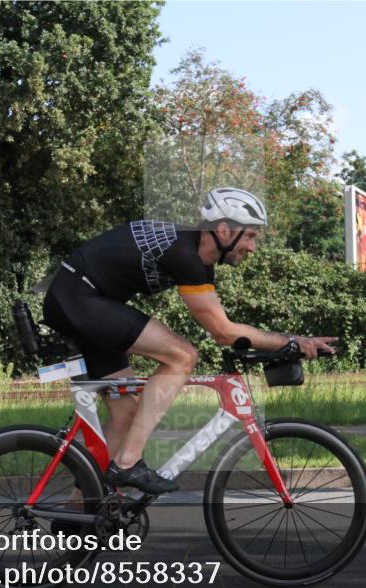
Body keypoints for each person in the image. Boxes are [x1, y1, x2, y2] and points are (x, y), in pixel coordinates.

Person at [43, 187, 335, 494]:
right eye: (249, 236)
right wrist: (290, 341)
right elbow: (223, 332)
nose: (252, 247)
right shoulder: (184, 253)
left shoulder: (198, 259)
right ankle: (128, 464)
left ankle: (79, 515)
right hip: (78, 298)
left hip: (83, 300)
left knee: (126, 413)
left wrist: (285, 342)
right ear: (223, 230)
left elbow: (223, 327)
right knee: (182, 356)